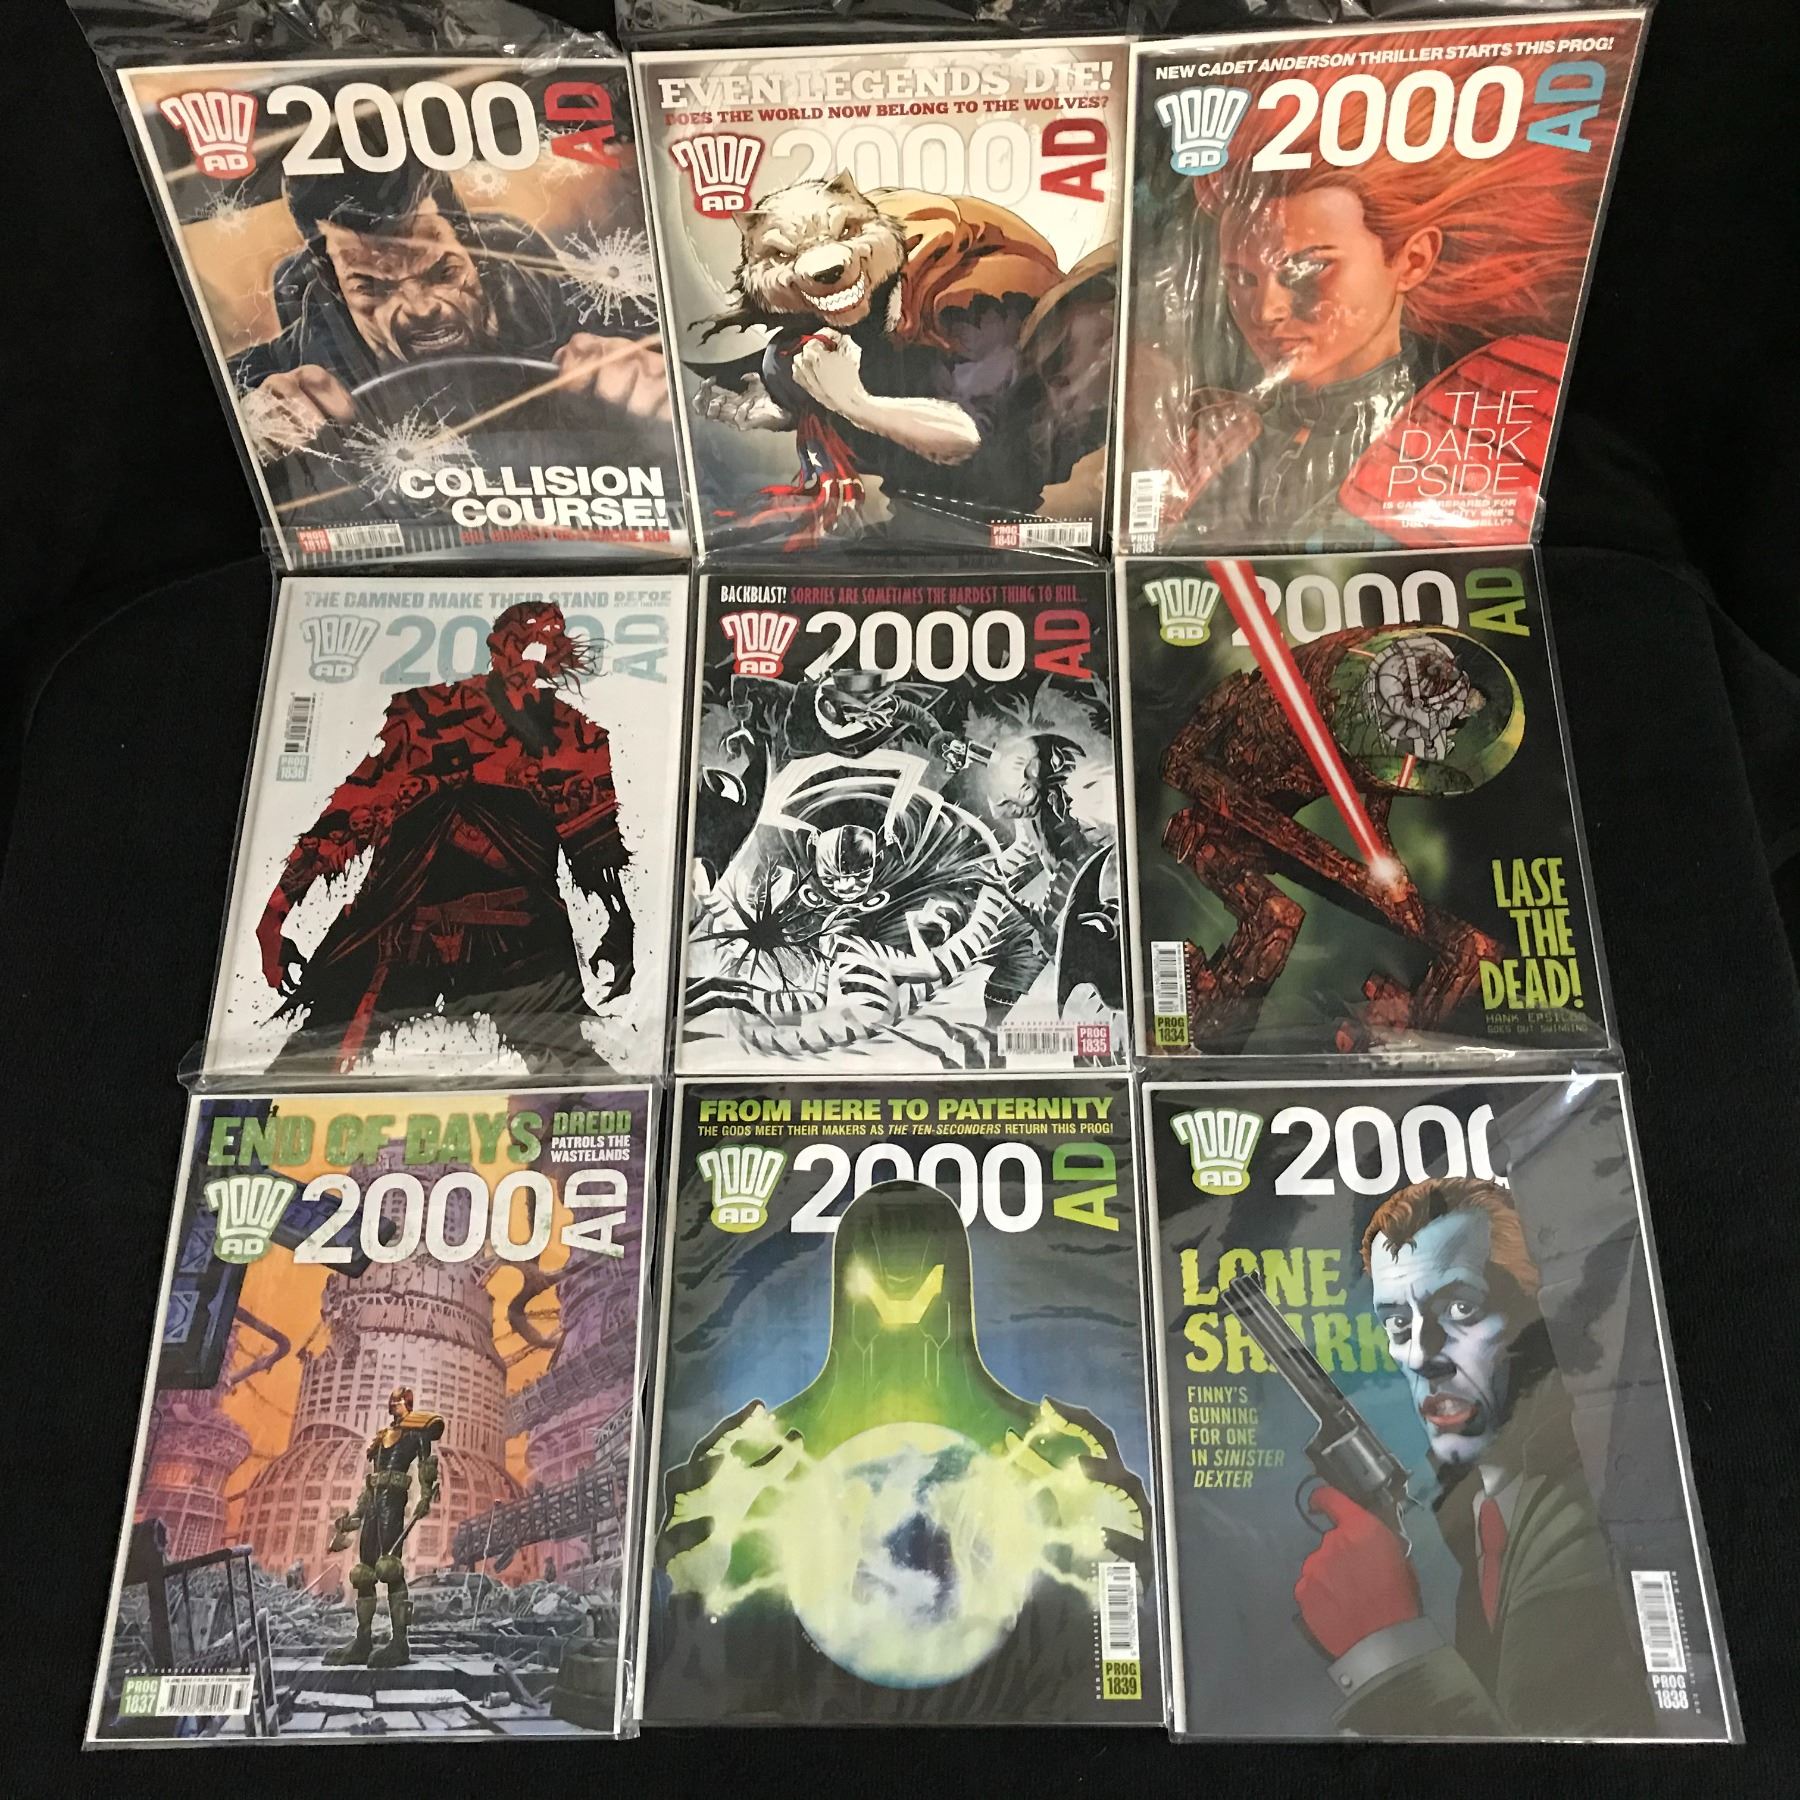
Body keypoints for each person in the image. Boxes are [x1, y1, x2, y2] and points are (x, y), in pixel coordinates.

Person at [1293, 1176, 1656, 1734]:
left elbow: (1550, 1752)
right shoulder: (1478, 1517)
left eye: (1461, 1307)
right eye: (1398, 1323)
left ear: (1537, 1314)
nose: (1421, 1355)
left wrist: (1385, 1643)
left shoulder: (1582, 1509)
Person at [233, 152, 667, 461]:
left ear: (472, 250)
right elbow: (222, 394)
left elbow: (683, 344)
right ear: (334, 289)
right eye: (373, 288)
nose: (421, 308)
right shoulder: (305, 352)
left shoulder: (559, 300)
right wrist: (256, 423)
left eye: (442, 273)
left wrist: (656, 378)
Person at [324, 1386, 445, 1670]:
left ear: (407, 1404)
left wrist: (425, 1496)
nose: (392, 1405)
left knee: (389, 1568)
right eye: (391, 1401)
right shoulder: (381, 1438)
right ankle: (362, 1641)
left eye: (397, 1401)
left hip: (393, 1503)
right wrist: (357, 1514)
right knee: (363, 1573)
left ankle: (399, 1643)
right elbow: (372, 1479)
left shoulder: (417, 1431)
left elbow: (426, 1466)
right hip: (374, 1504)